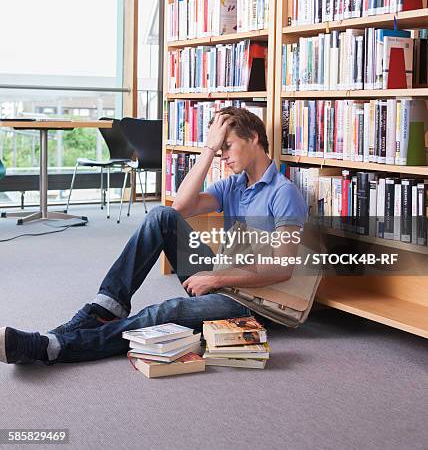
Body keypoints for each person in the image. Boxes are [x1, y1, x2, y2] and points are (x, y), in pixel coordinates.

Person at [0, 107, 307, 366]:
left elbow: (281, 269)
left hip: (251, 303)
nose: (222, 156)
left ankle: (52, 347)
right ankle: (107, 306)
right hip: (222, 280)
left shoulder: (284, 194)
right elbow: (182, 208)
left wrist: (214, 280)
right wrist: (208, 150)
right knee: (162, 216)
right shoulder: (234, 184)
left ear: (253, 138)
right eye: (220, 148)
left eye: (227, 146)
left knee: (163, 312)